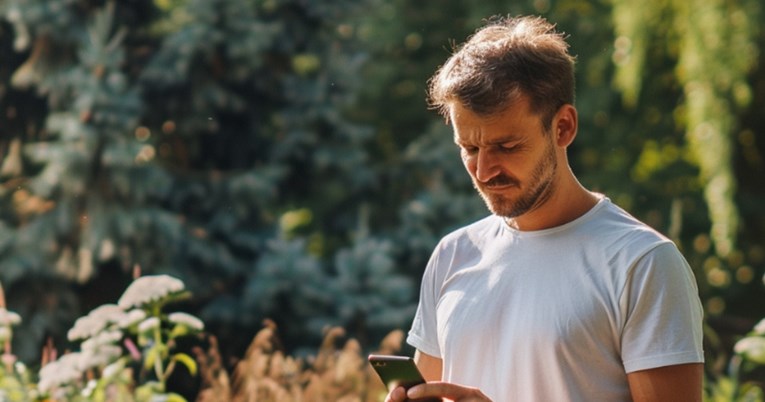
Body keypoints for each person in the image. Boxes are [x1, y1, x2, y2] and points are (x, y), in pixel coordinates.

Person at [386, 15, 704, 402]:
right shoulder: (453, 254)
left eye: (506, 146)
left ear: (563, 127)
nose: (483, 171)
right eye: (469, 149)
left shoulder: (643, 263)